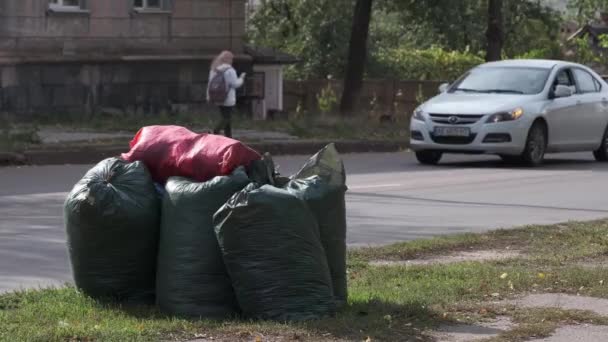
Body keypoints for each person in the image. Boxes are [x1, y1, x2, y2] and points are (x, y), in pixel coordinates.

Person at [206, 50, 246, 138]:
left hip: (217, 97)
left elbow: (210, 84)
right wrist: (242, 78)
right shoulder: (230, 70)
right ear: (228, 59)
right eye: (231, 59)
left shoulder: (214, 69)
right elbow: (235, 84)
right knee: (226, 118)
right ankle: (215, 131)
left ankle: (229, 136)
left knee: (226, 117)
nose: (232, 61)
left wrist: (208, 96)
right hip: (227, 98)